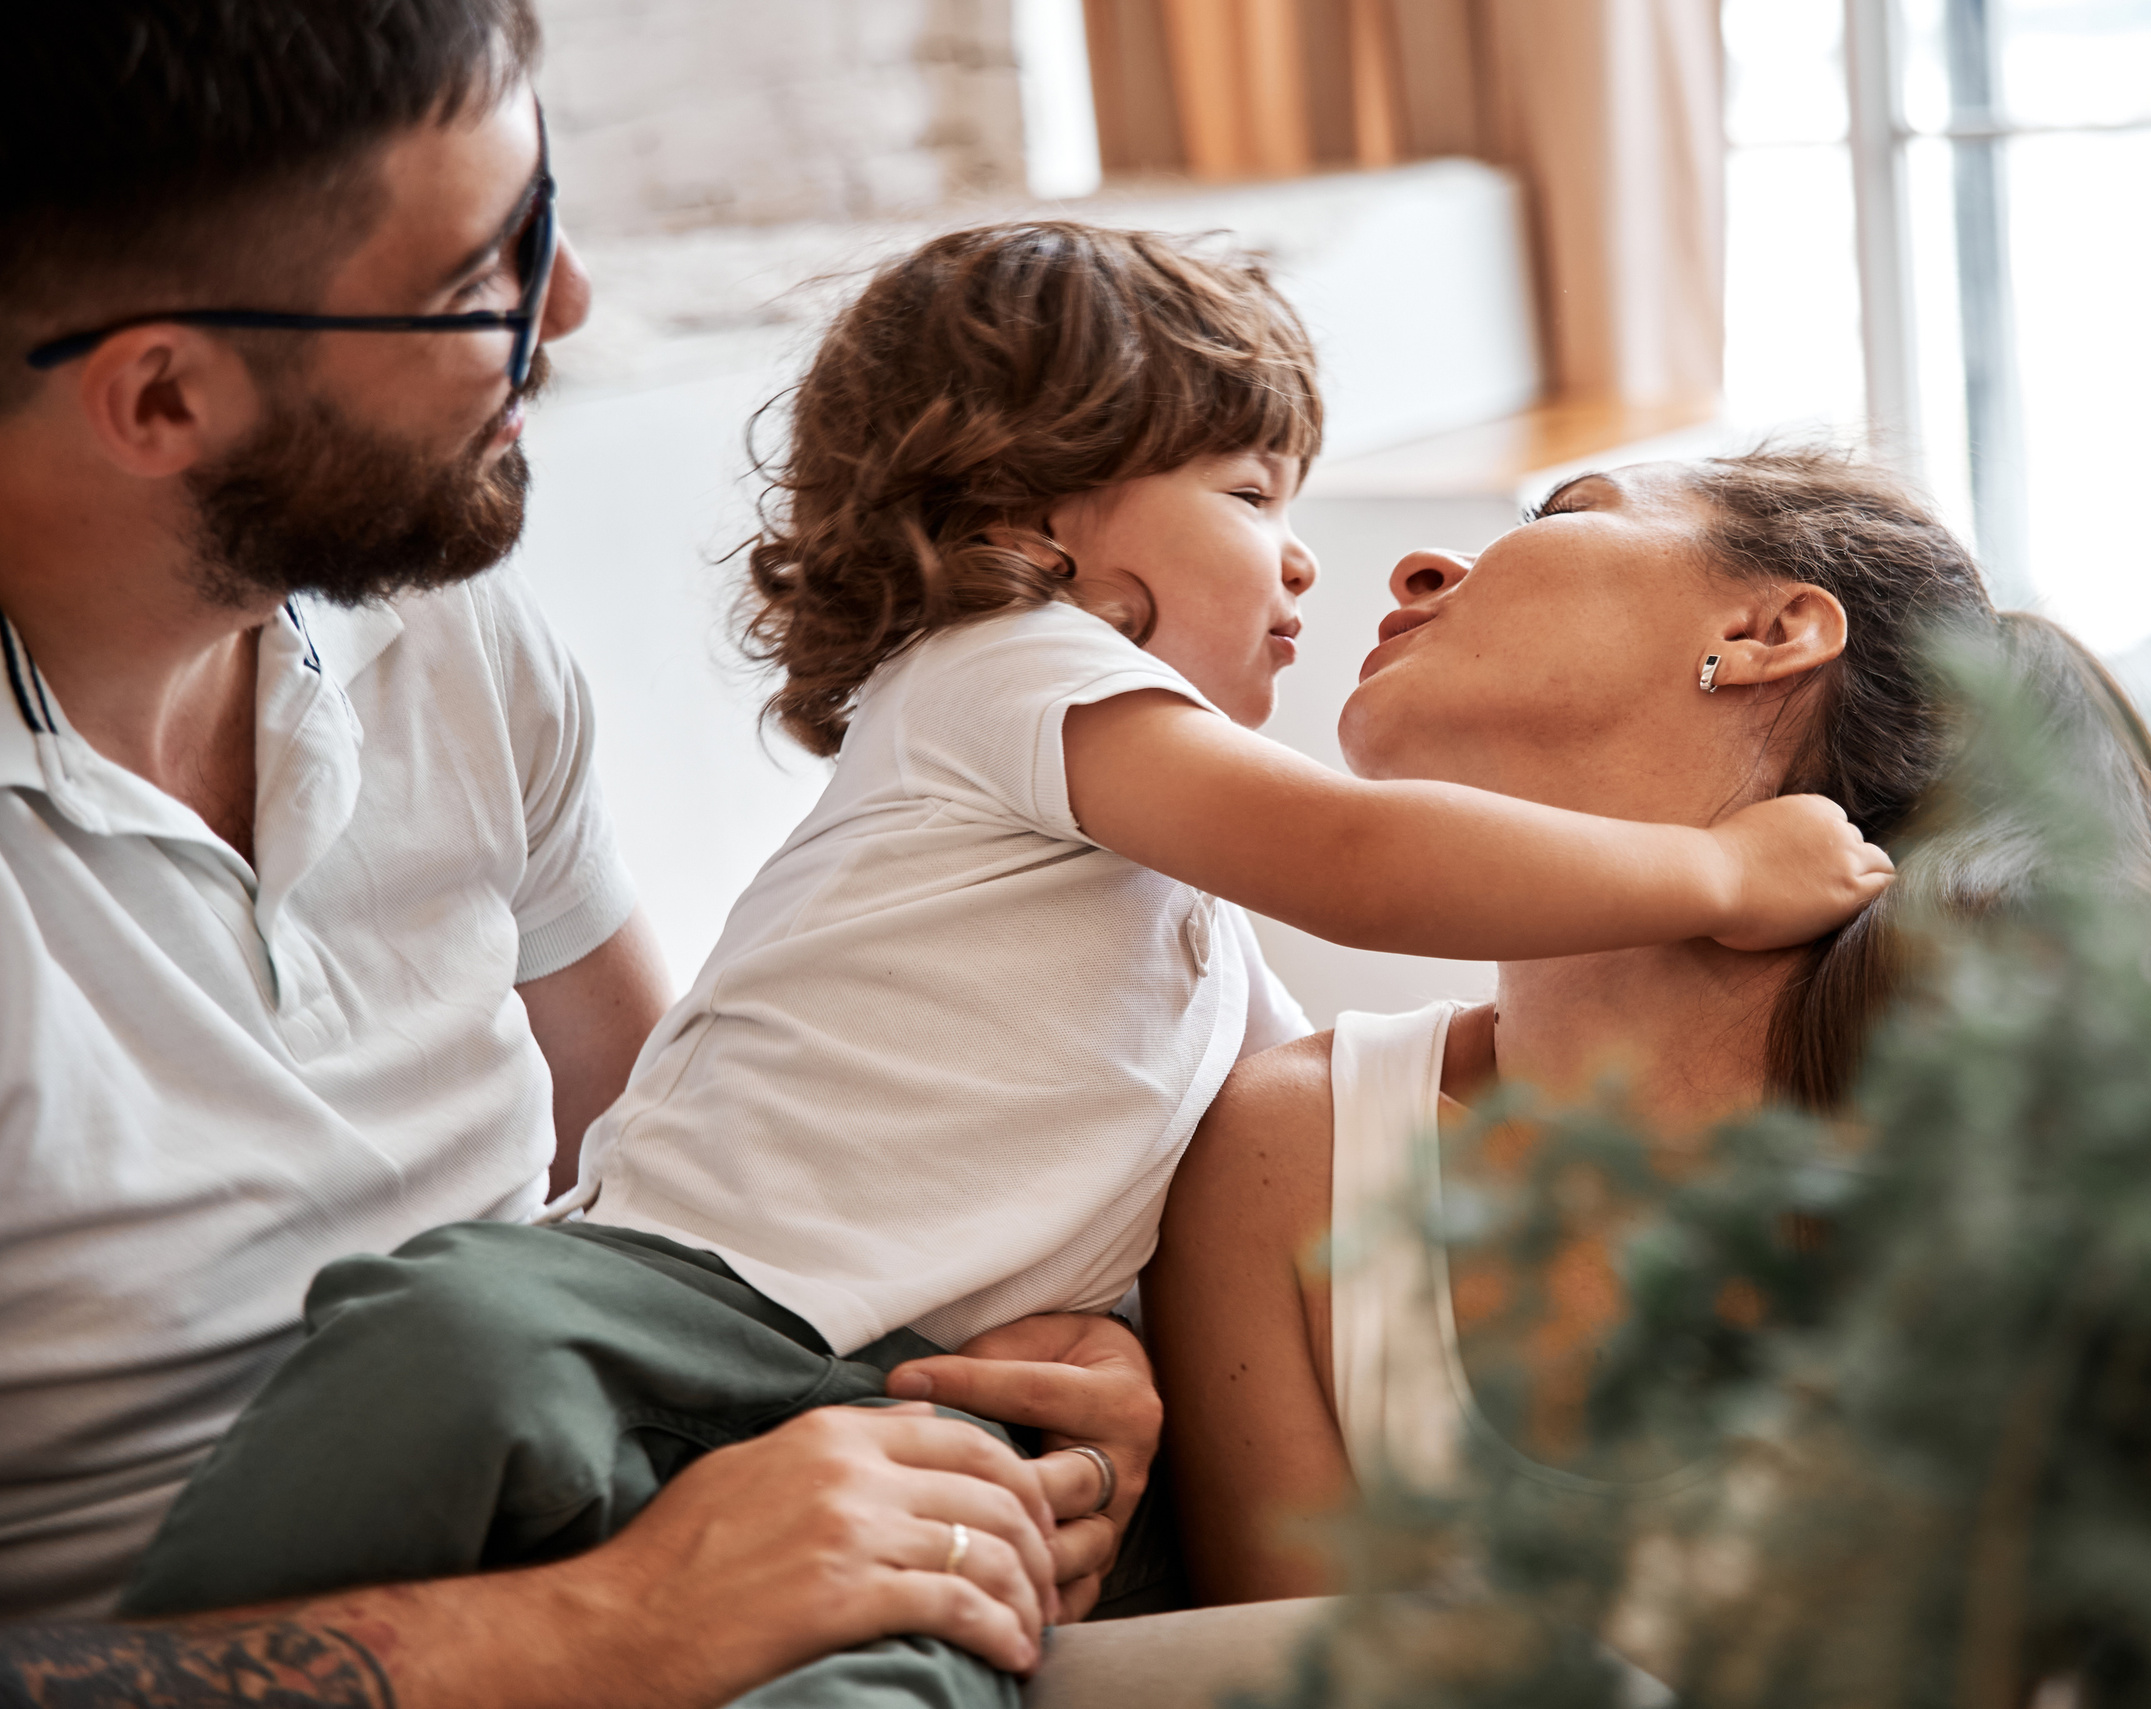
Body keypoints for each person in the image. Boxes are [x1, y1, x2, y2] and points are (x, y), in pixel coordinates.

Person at [108, 225, 1895, 1706]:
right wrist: (1711, 873)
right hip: (674, 1299)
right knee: (456, 1339)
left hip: (906, 1407)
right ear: (1042, 522)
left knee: (902, 1677)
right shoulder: (1010, 671)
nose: (1302, 556)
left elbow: (1265, 1120)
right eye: (1252, 486)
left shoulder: (1184, 917)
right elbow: (1355, 863)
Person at [0, 3, 1151, 1698]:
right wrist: (608, 1619)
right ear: (163, 393)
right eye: (494, 267)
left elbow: (680, 1206)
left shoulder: (445, 638)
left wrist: (1022, 1383)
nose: (577, 304)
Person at [1143, 447, 2151, 1604]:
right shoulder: (1291, 1151)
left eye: (1560, 510)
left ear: (1769, 630)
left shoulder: (2012, 1065)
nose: (1422, 567)